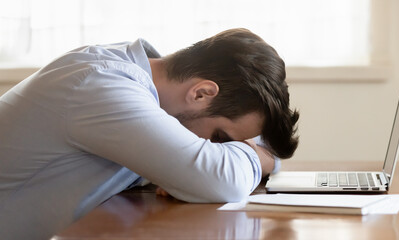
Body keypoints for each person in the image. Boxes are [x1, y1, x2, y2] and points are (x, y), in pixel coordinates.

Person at [0, 28, 299, 239]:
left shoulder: (139, 79)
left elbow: (211, 172)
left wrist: (260, 156)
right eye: (220, 138)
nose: (215, 147)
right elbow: (219, 179)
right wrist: (261, 160)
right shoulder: (103, 85)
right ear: (202, 94)